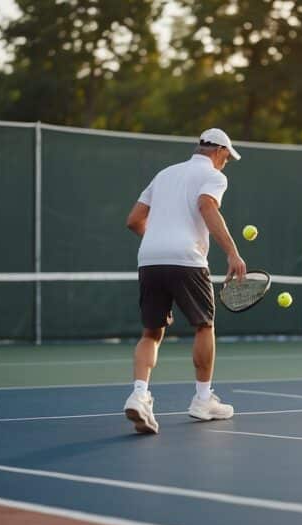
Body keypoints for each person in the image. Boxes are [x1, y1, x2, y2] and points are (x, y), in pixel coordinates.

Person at [122, 128, 246, 434]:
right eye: (226, 158)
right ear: (218, 151)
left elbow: (133, 220)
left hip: (149, 258)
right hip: (187, 259)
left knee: (151, 332)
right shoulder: (215, 178)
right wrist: (233, 253)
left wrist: (159, 240)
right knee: (204, 325)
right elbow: (207, 206)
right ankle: (203, 399)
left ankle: (139, 394)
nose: (225, 163)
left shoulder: (164, 174)